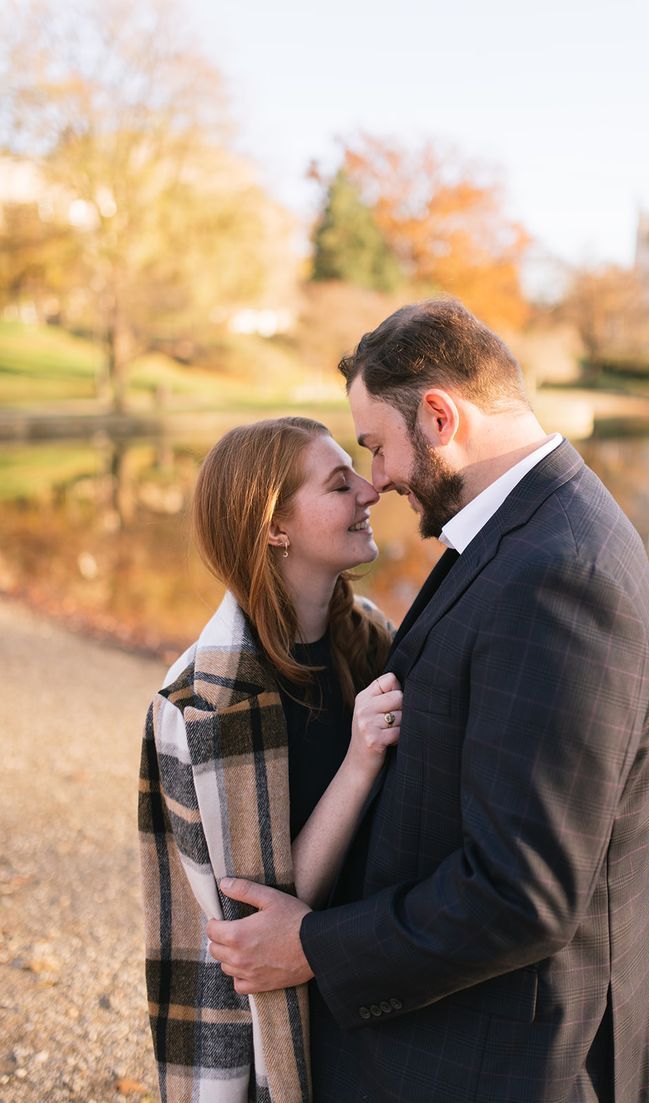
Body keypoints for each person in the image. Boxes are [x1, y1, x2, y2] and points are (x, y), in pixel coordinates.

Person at [207, 300, 649, 1103]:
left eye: (377, 447)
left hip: (507, 1063)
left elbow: (522, 892)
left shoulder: (560, 574)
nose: (377, 479)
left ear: (440, 415)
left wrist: (313, 946)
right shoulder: (516, 532)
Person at [138, 416, 403, 1103]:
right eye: (340, 484)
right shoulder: (204, 702)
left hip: (368, 974)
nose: (371, 492)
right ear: (274, 528)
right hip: (270, 1022)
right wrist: (360, 759)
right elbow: (256, 930)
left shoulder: (367, 636)